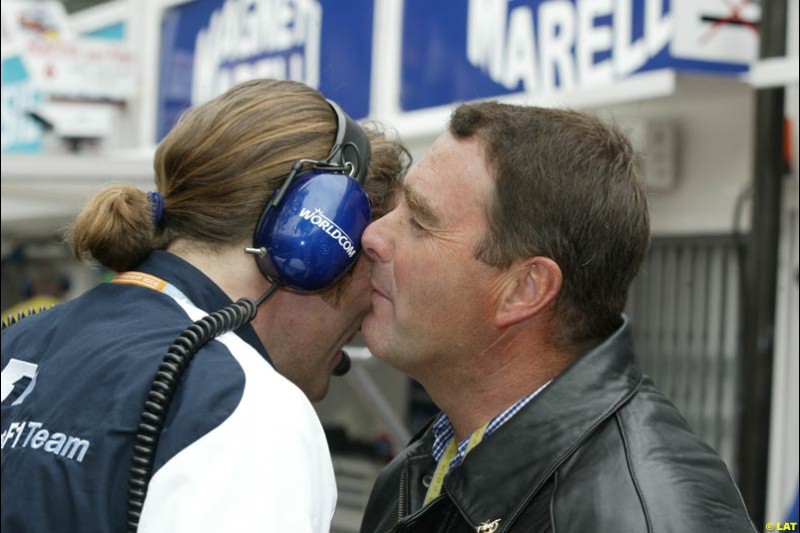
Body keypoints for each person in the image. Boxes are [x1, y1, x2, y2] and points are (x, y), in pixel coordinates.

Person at [1, 79, 409, 533]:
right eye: (369, 252)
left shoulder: (19, 341)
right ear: (317, 243)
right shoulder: (249, 412)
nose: (371, 306)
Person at [359, 102, 757, 533]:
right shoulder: (426, 467)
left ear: (524, 289)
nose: (373, 236)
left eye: (419, 221)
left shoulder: (636, 517)